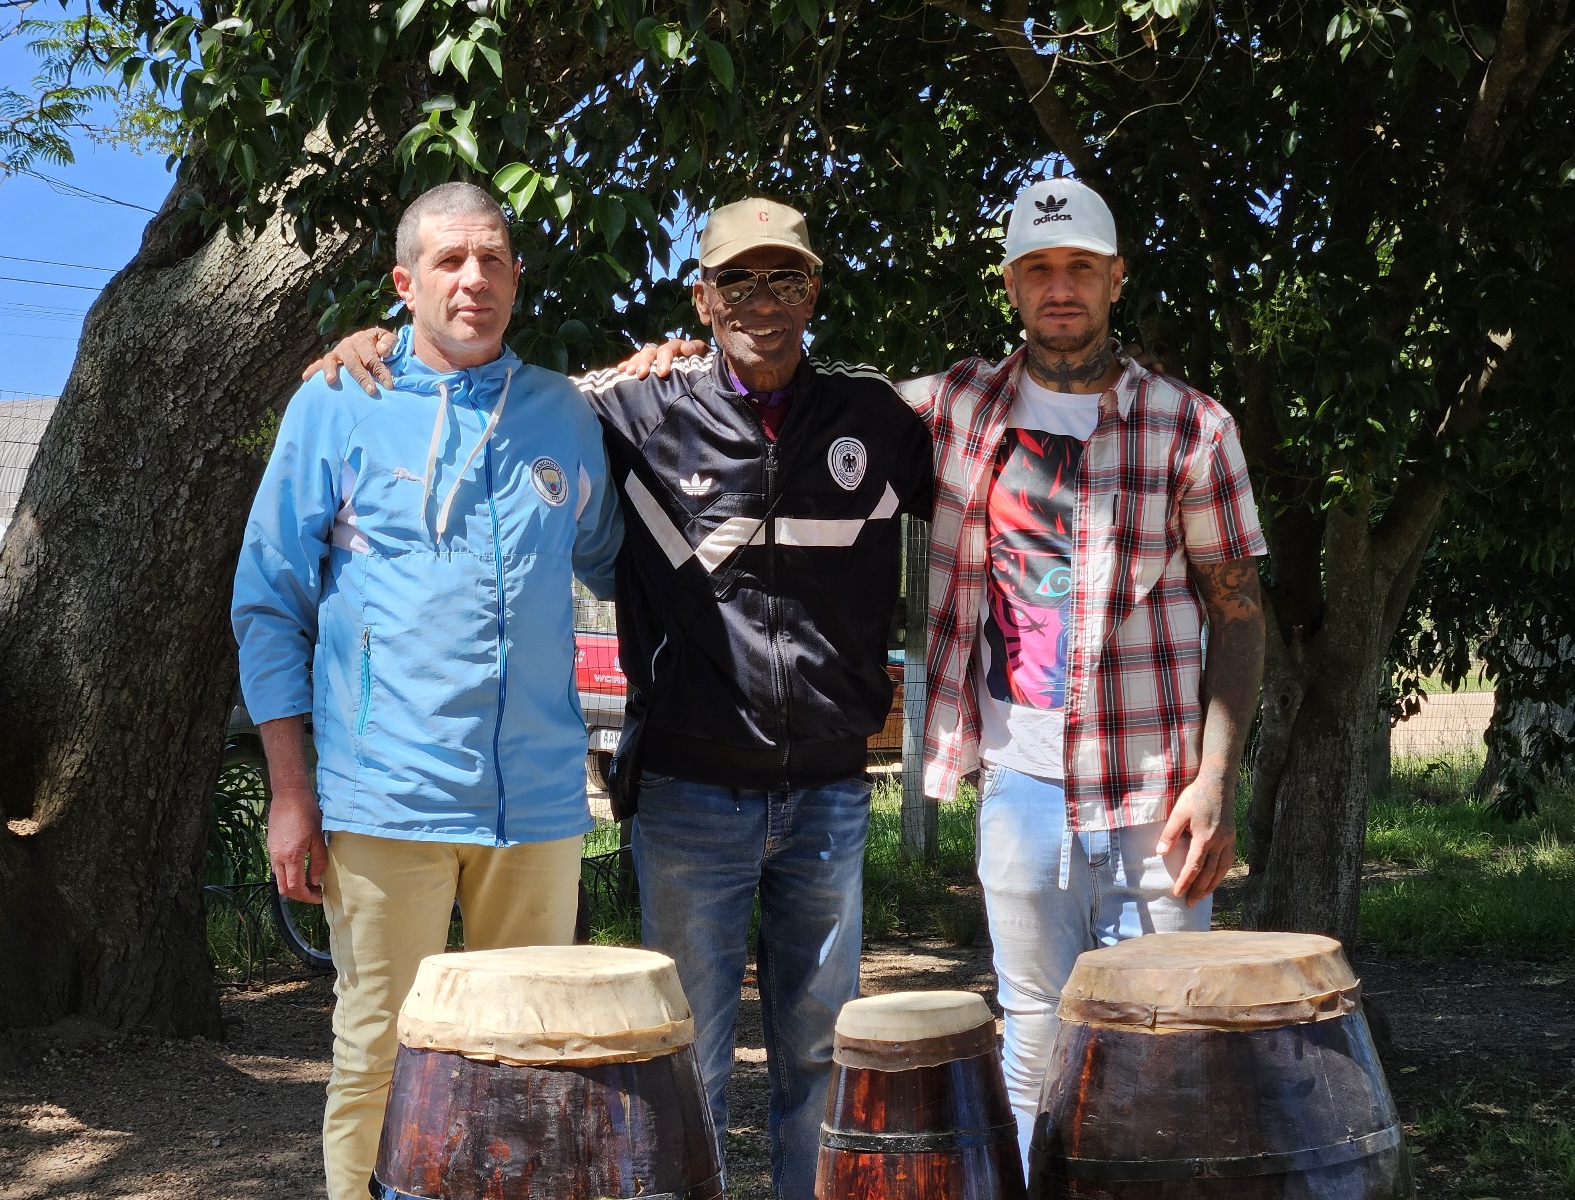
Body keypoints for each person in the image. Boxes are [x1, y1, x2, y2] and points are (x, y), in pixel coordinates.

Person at [628, 178, 1268, 1167]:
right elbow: (779, 383)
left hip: (1155, 794)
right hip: (1019, 786)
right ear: (1011, 284)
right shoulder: (954, 406)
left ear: (1116, 278)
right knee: (1030, 1042)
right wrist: (680, 356)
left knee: (1165, 1048)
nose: (1061, 288)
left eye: (1081, 268)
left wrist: (1216, 779)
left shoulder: (1191, 427)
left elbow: (1239, 611)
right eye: (1039, 269)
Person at [309, 197, 934, 1200]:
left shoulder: (879, 418)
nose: (762, 300)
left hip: (828, 797)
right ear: (702, 295)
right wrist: (372, 344)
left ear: (814, 289)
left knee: (823, 1055)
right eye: (736, 280)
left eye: (784, 277)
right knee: (678, 1062)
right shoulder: (629, 407)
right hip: (689, 794)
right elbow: (480, 379)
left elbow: (992, 426)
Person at [232, 181, 624, 1200]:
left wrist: (664, 374)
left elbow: (611, 554)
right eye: (449, 260)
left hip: (536, 803)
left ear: (518, 279)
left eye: (492, 259)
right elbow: (268, 602)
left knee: (530, 1057)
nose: (473, 279)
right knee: (379, 1052)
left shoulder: (564, 414)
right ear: (404, 283)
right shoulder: (338, 402)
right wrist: (290, 791)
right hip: (386, 799)